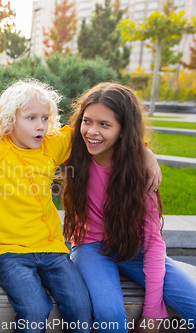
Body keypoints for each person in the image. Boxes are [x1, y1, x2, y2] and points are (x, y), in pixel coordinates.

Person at [0, 80, 162, 333]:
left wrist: (146, 153)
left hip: (53, 250)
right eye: (31, 118)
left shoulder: (51, 145)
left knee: (80, 309)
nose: (40, 125)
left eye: (45, 118)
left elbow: (102, 134)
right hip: (11, 253)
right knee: (35, 310)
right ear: (9, 120)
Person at [63, 82, 196, 333]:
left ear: (124, 130)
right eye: (87, 121)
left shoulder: (139, 174)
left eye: (105, 124)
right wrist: (147, 151)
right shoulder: (73, 152)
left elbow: (153, 244)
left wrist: (153, 314)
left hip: (135, 249)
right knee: (110, 315)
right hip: (91, 247)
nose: (92, 131)